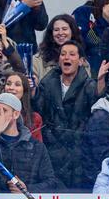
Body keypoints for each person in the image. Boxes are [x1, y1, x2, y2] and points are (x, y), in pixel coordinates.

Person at [33, 40, 100, 191]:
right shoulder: (47, 83)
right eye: (63, 54)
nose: (66, 58)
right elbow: (39, 112)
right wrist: (33, 93)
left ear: (81, 61)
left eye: (71, 54)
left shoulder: (90, 86)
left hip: (79, 158)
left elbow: (94, 122)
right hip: (51, 154)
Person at [0, 92, 57, 193]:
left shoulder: (36, 147)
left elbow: (51, 182)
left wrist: (27, 189)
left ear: (16, 114)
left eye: (3, 111)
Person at [32, 14, 90, 83]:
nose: (60, 33)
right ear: (51, 34)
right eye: (56, 30)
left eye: (64, 29)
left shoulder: (82, 61)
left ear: (72, 32)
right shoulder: (37, 60)